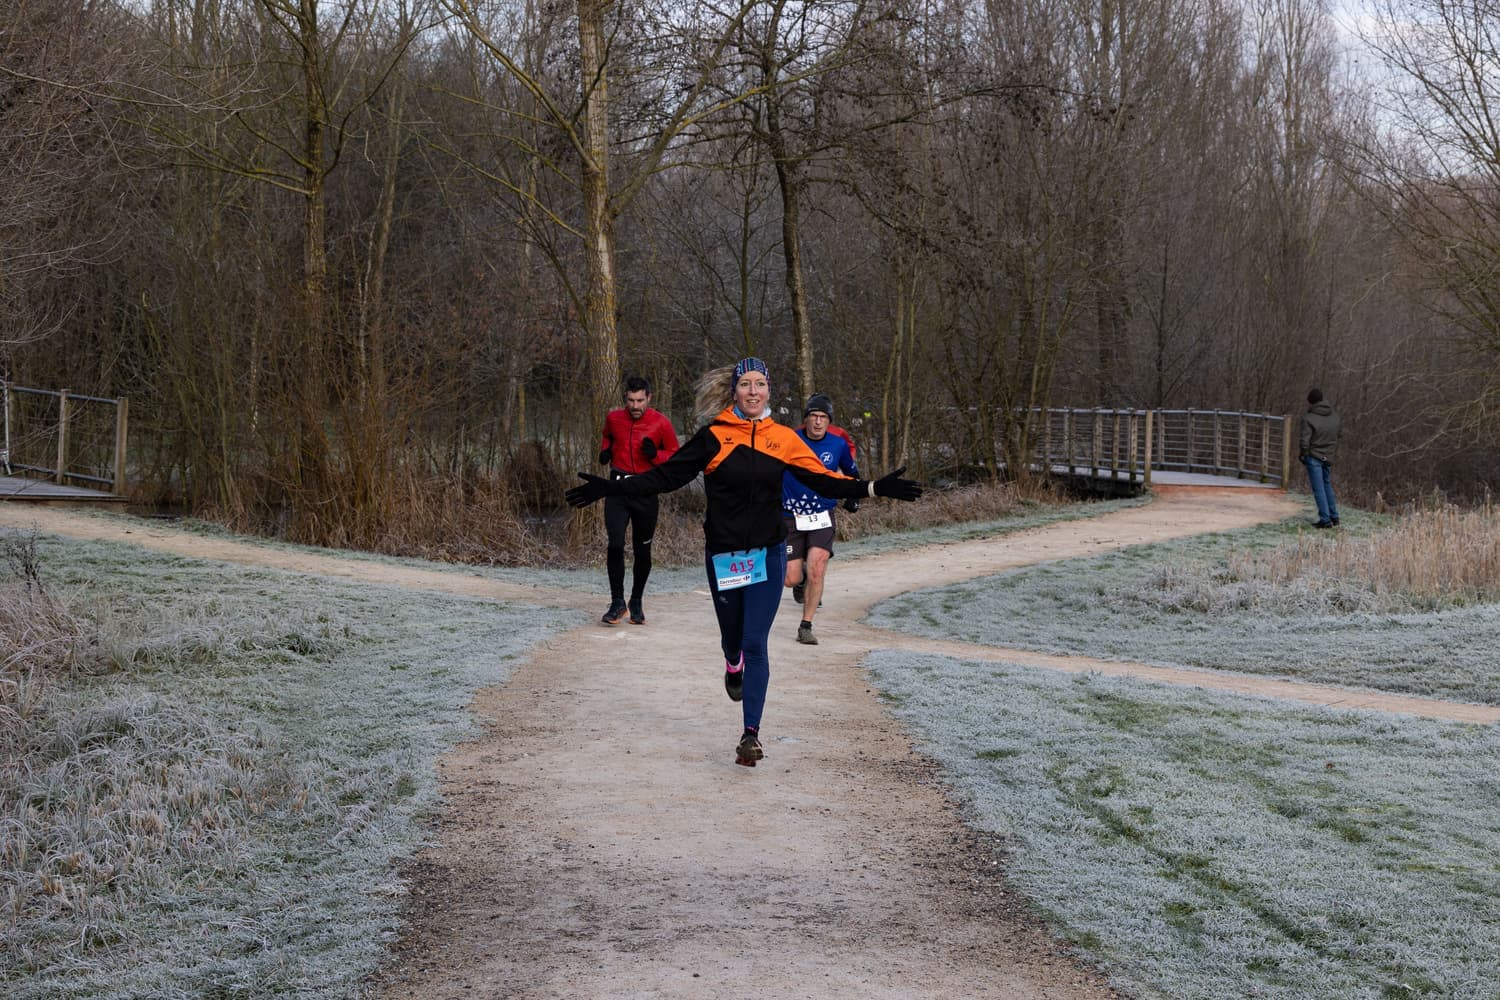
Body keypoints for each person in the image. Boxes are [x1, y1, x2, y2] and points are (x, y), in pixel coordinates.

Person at [566, 358, 922, 768]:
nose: (753, 392)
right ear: (734, 391)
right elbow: (666, 477)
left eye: (760, 384)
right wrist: (612, 487)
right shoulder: (715, 436)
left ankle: (751, 733)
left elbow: (822, 479)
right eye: (745, 385)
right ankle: (730, 665)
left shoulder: (784, 438)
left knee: (756, 643)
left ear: (769, 390)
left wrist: (873, 487)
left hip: (768, 553)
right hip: (725, 554)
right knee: (733, 641)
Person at [596, 376, 680, 624]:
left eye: (640, 400)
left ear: (649, 398)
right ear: (625, 398)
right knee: (615, 544)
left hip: (646, 489)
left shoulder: (661, 423)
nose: (635, 406)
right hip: (618, 487)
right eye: (631, 400)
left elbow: (675, 456)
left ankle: (636, 600)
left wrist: (656, 455)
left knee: (642, 549)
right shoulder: (614, 418)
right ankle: (617, 602)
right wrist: (606, 452)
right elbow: (607, 437)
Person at [782, 393, 858, 646]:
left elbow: (851, 471)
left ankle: (806, 625)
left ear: (829, 421)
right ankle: (799, 580)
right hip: (791, 514)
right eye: (813, 416)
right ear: (805, 419)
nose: (817, 422)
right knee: (789, 578)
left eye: (822, 417)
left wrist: (853, 494)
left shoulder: (837, 445)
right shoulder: (790, 439)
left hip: (822, 513)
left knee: (817, 567)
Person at [1299, 387, 1340, 528]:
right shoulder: (1334, 416)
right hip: (1328, 456)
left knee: (1319, 488)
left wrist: (1303, 454)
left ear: (1310, 402)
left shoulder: (1308, 418)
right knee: (1327, 484)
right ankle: (1334, 516)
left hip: (1314, 456)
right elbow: (1338, 435)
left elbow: (1305, 441)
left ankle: (1325, 520)